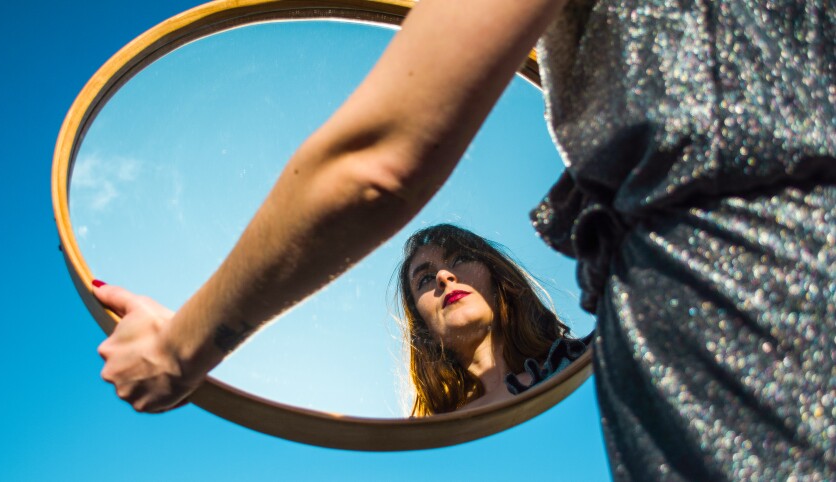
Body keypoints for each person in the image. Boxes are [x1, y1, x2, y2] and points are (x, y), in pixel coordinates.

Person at [92, 0, 835, 479]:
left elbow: (375, 163)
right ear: (413, 321)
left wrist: (178, 347)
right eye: (422, 277)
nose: (443, 278)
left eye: (457, 260)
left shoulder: (593, 353)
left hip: (751, 299)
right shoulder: (420, 441)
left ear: (500, 275)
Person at [395, 223, 589, 416]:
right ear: (423, 329)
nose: (443, 276)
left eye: (461, 258)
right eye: (425, 279)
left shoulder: (587, 360)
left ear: (499, 282)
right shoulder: (427, 439)